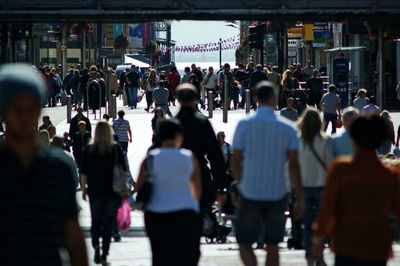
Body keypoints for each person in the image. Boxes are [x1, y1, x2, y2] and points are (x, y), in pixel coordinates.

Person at [0, 64, 87, 266]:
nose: (24, 116)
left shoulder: (58, 169)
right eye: (17, 108)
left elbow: (73, 236)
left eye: (31, 108)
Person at [231, 81, 304, 266]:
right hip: (277, 191)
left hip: (250, 190)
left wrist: (240, 183)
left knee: (244, 242)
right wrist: (299, 196)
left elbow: (236, 158)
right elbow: (294, 164)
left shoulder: (244, 124)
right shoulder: (288, 127)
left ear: (256, 98)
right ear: (274, 98)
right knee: (273, 244)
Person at [311, 115, 400, 266]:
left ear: (353, 138)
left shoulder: (340, 170)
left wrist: (318, 237)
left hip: (346, 241)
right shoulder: (390, 174)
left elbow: (328, 207)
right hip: (377, 243)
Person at [135, 119, 201, 266]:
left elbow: (139, 186)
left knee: (159, 254)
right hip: (185, 212)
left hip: (156, 212)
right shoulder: (190, 157)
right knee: (184, 254)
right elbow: (197, 189)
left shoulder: (150, 158)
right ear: (178, 135)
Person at [175, 84, 228, 264]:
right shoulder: (202, 122)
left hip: (177, 178)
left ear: (178, 100)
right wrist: (221, 184)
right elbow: (215, 155)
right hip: (199, 176)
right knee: (196, 225)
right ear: (195, 99)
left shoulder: (173, 124)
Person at [80, 121, 127, 265]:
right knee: (108, 222)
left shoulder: (89, 149)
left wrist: (83, 189)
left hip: (94, 190)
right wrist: (124, 188)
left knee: (95, 221)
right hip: (112, 191)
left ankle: (95, 245)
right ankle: (105, 254)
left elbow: (83, 172)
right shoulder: (115, 148)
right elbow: (123, 170)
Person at [297, 108, 333, 266]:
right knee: (321, 224)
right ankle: (320, 255)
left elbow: (293, 165)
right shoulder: (326, 141)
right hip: (321, 186)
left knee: (307, 224)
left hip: (304, 186)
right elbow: (331, 165)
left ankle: (309, 256)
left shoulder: (298, 141)